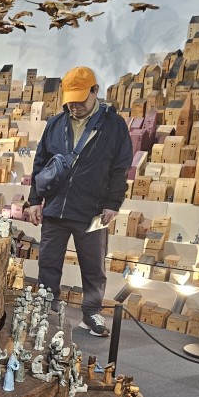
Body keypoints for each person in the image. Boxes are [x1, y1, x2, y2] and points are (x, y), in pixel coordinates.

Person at [25, 65, 132, 337]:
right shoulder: (55, 124)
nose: (75, 107)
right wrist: (35, 200)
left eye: (81, 100)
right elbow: (40, 163)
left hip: (92, 211)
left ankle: (92, 313)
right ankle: (47, 308)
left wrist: (113, 204)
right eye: (71, 101)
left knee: (94, 267)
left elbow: (120, 168)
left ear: (95, 91)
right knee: (48, 264)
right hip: (55, 209)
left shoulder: (114, 125)